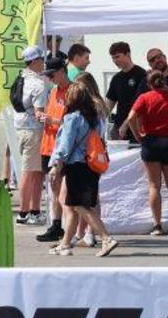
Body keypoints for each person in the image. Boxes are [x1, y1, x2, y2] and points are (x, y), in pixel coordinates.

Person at [48, 80, 119, 257]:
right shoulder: (94, 119)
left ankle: (106, 238)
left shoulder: (72, 118)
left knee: (80, 206)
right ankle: (65, 244)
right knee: (74, 205)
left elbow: (65, 145)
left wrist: (56, 165)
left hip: (77, 165)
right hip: (91, 165)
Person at [123, 70, 168, 236]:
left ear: (149, 84)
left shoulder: (144, 98)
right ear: (165, 81)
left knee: (154, 185)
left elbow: (131, 117)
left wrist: (138, 135)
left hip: (150, 142)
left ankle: (157, 225)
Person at [36, 55, 72, 243]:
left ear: (62, 71)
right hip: (48, 145)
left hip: (62, 148)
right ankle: (57, 225)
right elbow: (52, 116)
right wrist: (43, 117)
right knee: (55, 190)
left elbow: (73, 123)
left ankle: (69, 229)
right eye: (48, 75)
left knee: (65, 191)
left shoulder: (72, 92)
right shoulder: (53, 91)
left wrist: (52, 120)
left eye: (52, 75)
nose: (50, 78)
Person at [14, 46, 50, 226]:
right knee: (29, 171)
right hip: (34, 130)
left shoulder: (21, 77)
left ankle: (35, 211)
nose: (44, 62)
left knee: (36, 171)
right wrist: (56, 120)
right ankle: (23, 213)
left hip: (21, 127)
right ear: (35, 61)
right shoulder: (38, 84)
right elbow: (39, 113)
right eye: (42, 59)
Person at [104, 41, 147, 141]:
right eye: (113, 58)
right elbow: (108, 105)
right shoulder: (116, 78)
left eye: (117, 57)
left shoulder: (141, 75)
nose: (115, 61)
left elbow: (141, 106)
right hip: (119, 128)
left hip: (137, 128)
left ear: (128, 54)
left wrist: (126, 124)